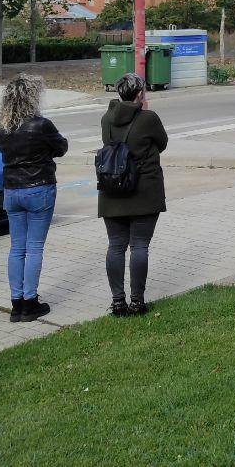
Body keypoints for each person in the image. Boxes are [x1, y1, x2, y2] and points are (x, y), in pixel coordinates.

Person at [0, 74, 68, 321]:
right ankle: (30, 300)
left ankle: (17, 302)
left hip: (12, 189)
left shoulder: (4, 126)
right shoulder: (40, 124)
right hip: (38, 187)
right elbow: (60, 147)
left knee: (17, 247)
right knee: (34, 247)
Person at [99, 72, 168, 316]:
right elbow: (162, 143)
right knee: (139, 245)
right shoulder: (148, 118)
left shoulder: (107, 118)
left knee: (115, 246)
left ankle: (118, 302)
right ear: (140, 94)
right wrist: (143, 109)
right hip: (144, 191)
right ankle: (137, 301)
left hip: (112, 192)